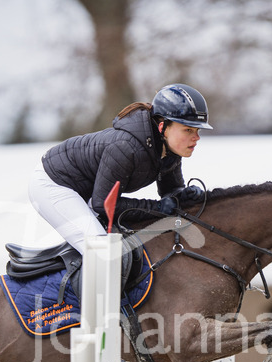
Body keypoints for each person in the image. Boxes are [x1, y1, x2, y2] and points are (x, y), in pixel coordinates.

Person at [29, 83, 212, 255]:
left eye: (198, 131)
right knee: (101, 252)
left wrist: (184, 195)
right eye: (188, 130)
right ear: (163, 127)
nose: (196, 138)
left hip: (91, 192)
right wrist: (157, 207)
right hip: (54, 185)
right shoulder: (126, 147)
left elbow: (169, 193)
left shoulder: (169, 151)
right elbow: (103, 205)